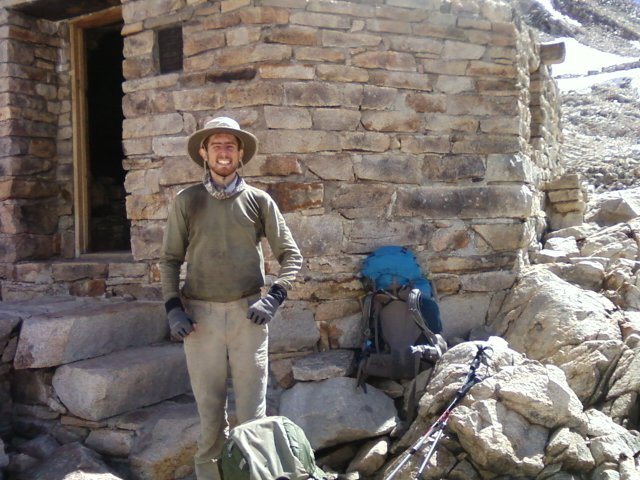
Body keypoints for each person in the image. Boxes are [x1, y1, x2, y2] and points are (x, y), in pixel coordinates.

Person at [159, 116, 303, 480]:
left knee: (253, 417)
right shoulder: (187, 201)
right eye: (216, 145)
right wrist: (173, 309)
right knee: (210, 418)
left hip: (248, 317)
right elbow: (169, 259)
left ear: (240, 155)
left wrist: (274, 298)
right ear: (204, 154)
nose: (223, 152)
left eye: (230, 145)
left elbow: (292, 256)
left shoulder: (258, 201)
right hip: (199, 322)